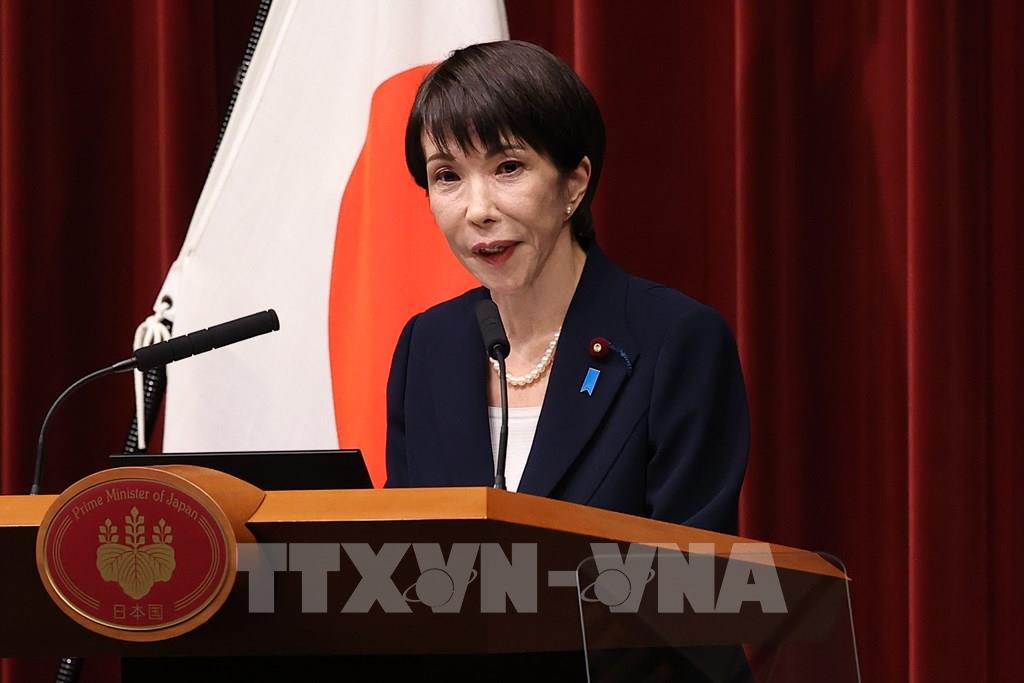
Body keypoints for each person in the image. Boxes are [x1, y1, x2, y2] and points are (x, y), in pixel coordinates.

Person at [386, 40, 749, 537]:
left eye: (508, 168)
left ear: (574, 183)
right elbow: (398, 551)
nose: (478, 210)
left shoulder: (675, 341)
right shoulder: (428, 346)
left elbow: (694, 570)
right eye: (447, 176)